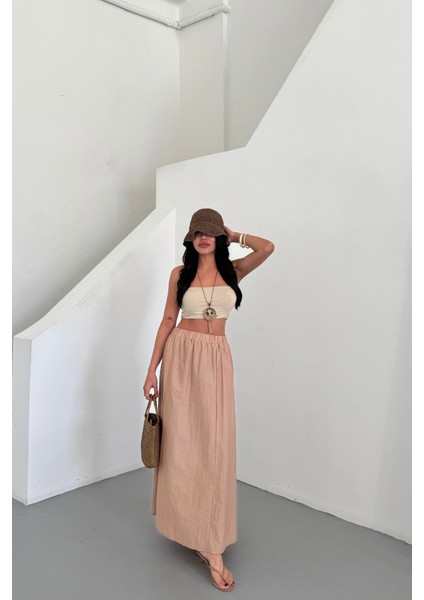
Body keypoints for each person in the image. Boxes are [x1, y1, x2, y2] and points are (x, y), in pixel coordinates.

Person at [143, 208, 274, 591]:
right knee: (182, 443)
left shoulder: (234, 271)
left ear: (218, 237)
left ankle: (211, 539)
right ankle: (190, 530)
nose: (203, 237)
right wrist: (151, 370)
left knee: (215, 446)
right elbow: (168, 320)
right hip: (181, 355)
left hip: (216, 358)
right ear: (190, 238)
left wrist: (234, 235)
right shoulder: (179, 274)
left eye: (211, 232)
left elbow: (267, 247)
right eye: (198, 231)